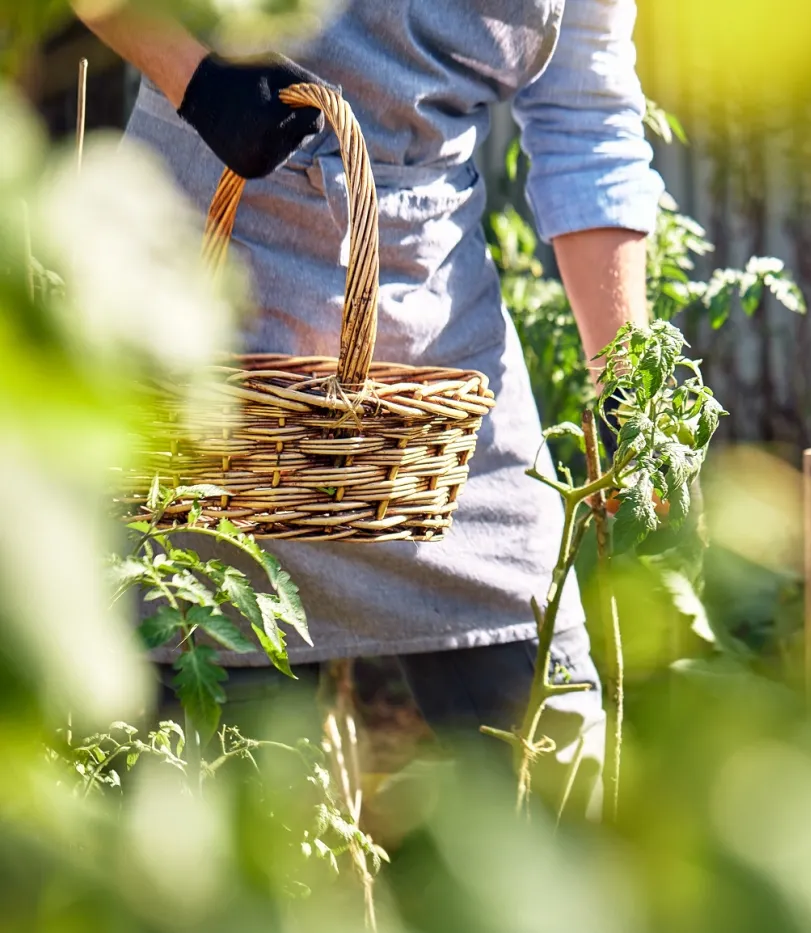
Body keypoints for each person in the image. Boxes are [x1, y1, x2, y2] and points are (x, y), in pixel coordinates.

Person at [77, 0, 664, 815]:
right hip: (208, 317)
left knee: (552, 755)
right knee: (234, 792)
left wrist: (630, 391)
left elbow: (587, 123)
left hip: (430, 345)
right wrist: (197, 78)